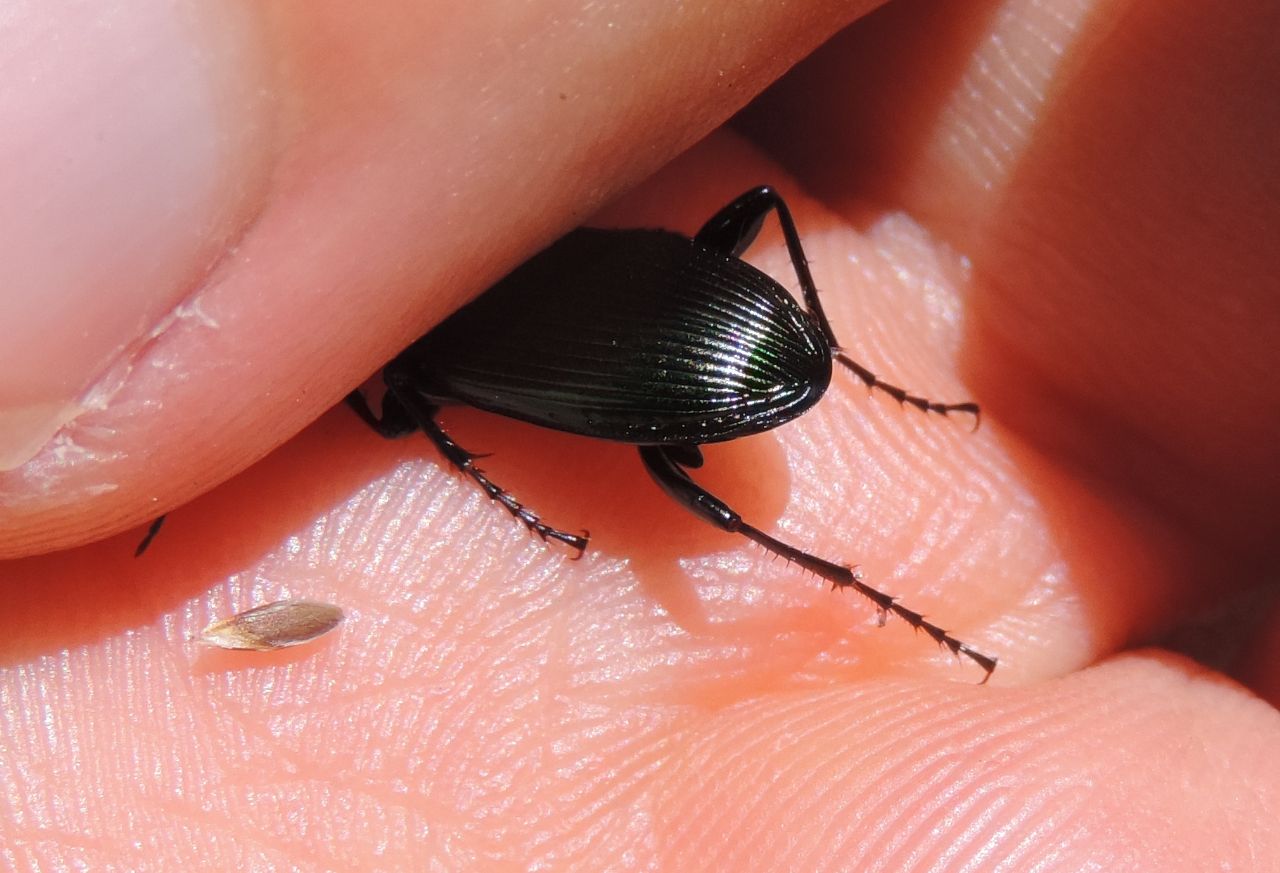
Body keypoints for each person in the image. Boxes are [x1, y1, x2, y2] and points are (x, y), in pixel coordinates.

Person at [2, 1, 1277, 868]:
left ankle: (872, 564)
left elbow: (408, 420)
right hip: (697, 326)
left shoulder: (412, 333)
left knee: (694, 492)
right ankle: (874, 540)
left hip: (705, 352)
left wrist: (501, 498)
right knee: (740, 273)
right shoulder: (436, 271)